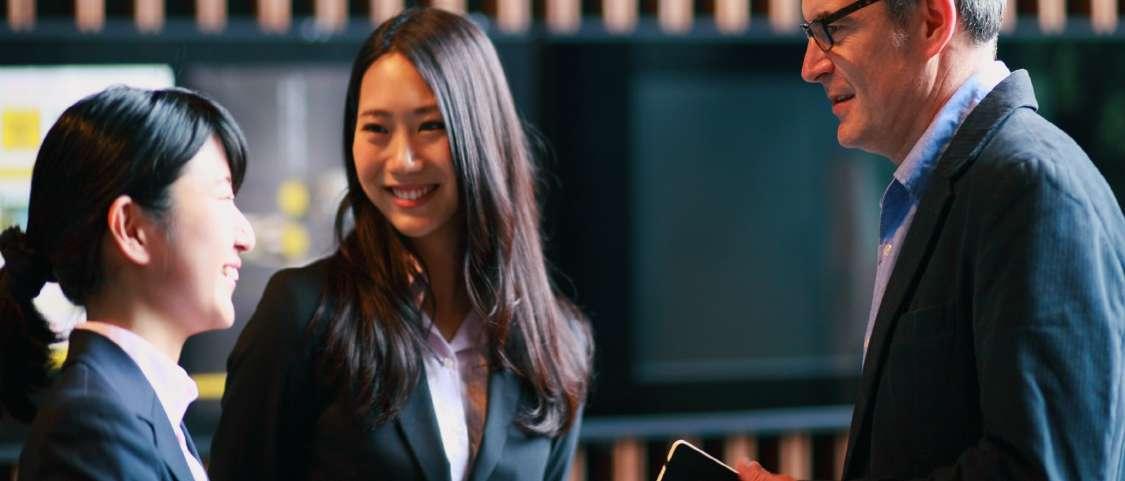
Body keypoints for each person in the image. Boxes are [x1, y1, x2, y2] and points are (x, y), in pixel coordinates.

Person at [737, 0, 1125, 478]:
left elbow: (1041, 471)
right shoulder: (961, 186)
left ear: (932, 22)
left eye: (833, 28)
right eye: (809, 32)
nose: (810, 66)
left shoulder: (1032, 187)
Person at [208, 8, 594, 481]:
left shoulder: (557, 341)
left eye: (430, 126)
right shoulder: (303, 314)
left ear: (482, 133)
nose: (402, 160)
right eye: (376, 129)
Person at [0, 85, 255, 480]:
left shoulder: (129, 404)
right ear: (132, 229)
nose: (246, 237)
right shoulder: (93, 422)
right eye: (223, 196)